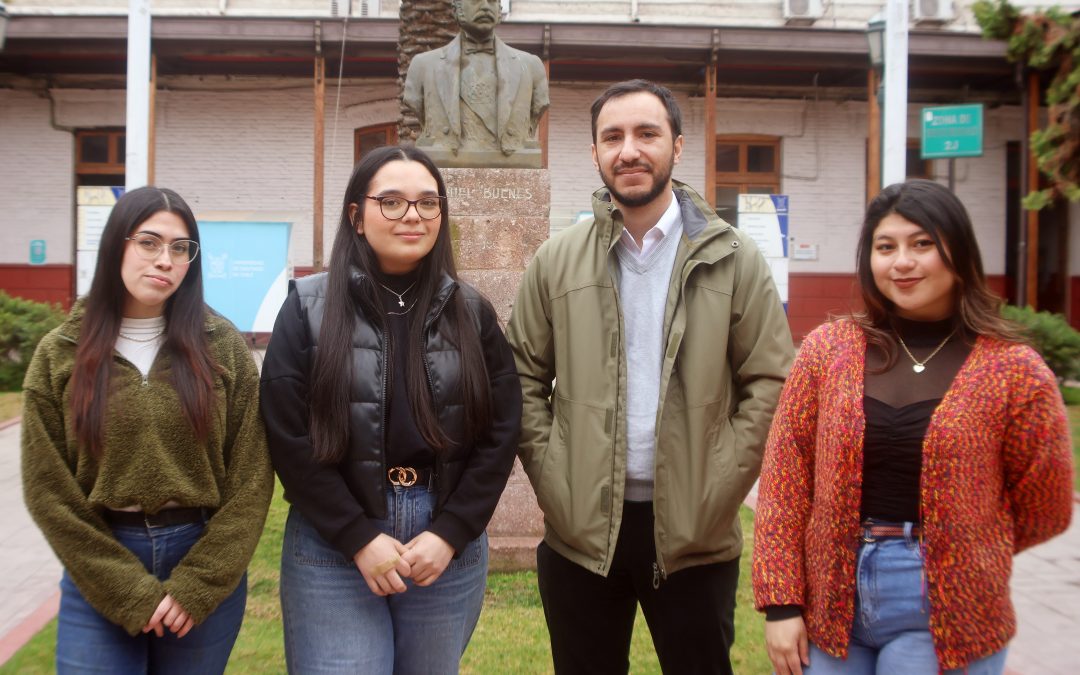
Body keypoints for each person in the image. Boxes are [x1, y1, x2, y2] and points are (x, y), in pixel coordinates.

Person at [506, 79, 794, 674]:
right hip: (581, 536)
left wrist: (718, 484)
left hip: (695, 537)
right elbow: (520, 377)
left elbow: (770, 379)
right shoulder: (556, 260)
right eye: (612, 136)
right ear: (594, 153)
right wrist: (555, 479)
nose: (628, 150)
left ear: (678, 146)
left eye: (646, 134)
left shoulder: (734, 258)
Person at [752, 179, 1075, 675]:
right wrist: (781, 602)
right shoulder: (827, 350)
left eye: (922, 243)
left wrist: (968, 542)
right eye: (886, 247)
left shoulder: (1014, 370)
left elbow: (1046, 505)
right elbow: (784, 482)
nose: (902, 262)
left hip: (947, 607)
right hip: (829, 596)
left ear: (959, 251)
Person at [260, 145, 521, 673]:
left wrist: (451, 532)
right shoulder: (308, 307)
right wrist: (357, 536)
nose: (413, 216)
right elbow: (288, 435)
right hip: (335, 538)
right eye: (393, 202)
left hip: (441, 539)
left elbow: (500, 430)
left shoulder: (471, 312)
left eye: (428, 203)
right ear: (357, 216)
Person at [21, 186, 274, 674]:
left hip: (199, 556)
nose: (165, 260)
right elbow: (47, 490)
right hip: (100, 561)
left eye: (180, 248)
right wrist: (125, 589)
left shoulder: (221, 348)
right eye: (149, 242)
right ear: (117, 245)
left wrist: (198, 583)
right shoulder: (60, 352)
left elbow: (252, 477)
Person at [402, 0, 549, 167]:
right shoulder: (423, 66)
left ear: (500, 9)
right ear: (456, 9)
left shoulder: (531, 67)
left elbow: (539, 105)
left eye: (492, 1)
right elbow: (414, 101)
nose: (486, 6)